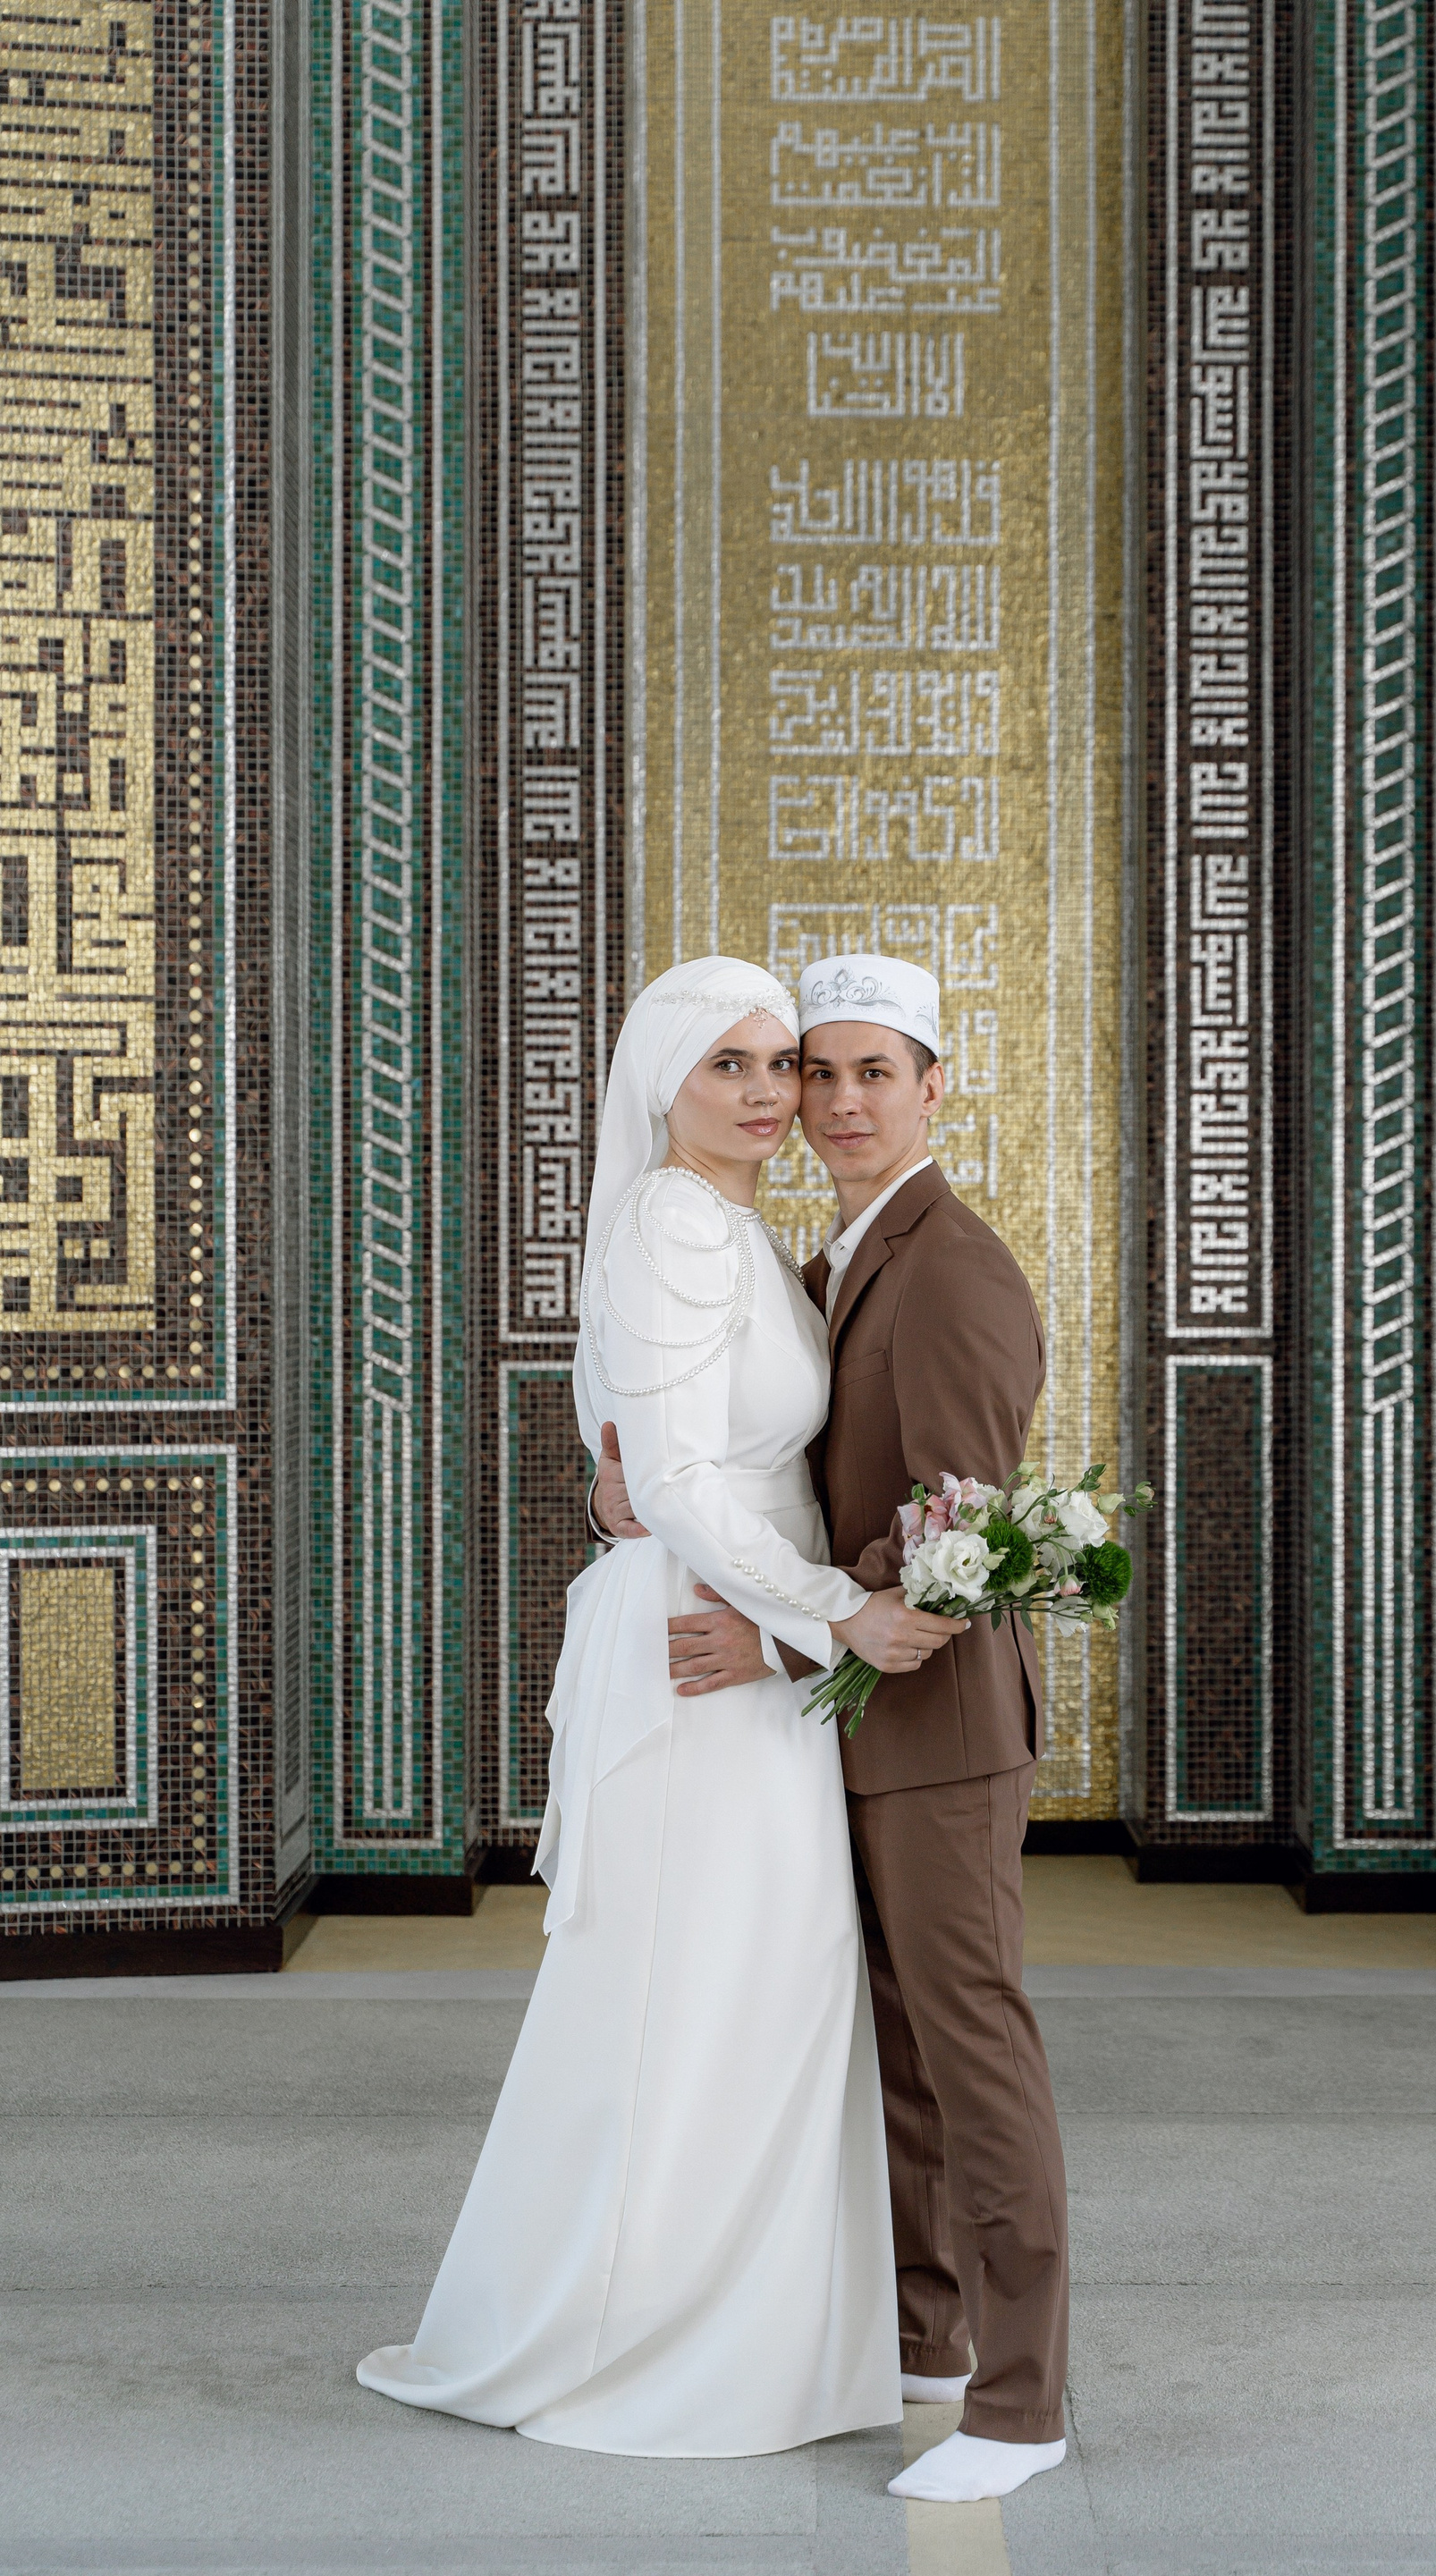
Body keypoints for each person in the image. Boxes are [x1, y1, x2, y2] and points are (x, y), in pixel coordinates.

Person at [356, 958, 965, 2456]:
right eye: (728, 1066)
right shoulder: (674, 1224)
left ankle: (760, 2329)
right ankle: (642, 2335)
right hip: (711, 1643)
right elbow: (683, 1481)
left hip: (748, 1636)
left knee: (765, 1983)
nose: (770, 1092)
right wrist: (835, 1613)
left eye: (783, 1062)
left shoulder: (734, 1228)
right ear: (660, 1083)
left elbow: (654, 1458)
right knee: (693, 1990)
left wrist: (645, 1513)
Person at [593, 952, 1071, 2504]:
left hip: (937, 1724)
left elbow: (961, 1517)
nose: (842, 1099)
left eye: (877, 1072)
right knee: (896, 2053)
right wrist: (623, 1481)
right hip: (838, 1721)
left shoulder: (954, 1266)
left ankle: (1021, 2403)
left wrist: (782, 1627)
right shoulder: (825, 1258)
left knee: (972, 2044)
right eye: (822, 1070)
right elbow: (755, 1461)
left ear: (935, 1086)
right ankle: (925, 2340)